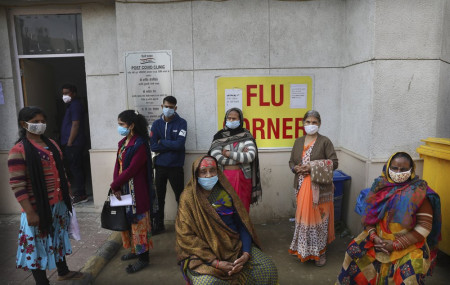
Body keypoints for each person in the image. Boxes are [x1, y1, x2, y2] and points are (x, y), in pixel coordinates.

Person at [337, 152, 442, 285]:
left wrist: (395, 244)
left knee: (409, 276)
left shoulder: (419, 192)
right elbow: (368, 219)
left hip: (408, 244)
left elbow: (424, 227)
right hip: (377, 240)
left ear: (411, 171)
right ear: (388, 168)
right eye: (394, 168)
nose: (398, 172)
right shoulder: (379, 187)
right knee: (353, 251)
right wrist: (374, 237)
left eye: (403, 170)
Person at [8, 106, 83, 284]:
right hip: (37, 207)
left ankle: (63, 271)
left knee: (58, 237)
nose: (40, 125)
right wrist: (30, 212)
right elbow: (17, 184)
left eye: (42, 121)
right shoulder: (18, 150)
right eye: (35, 122)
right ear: (23, 124)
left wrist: (68, 193)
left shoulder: (52, 144)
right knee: (36, 245)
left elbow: (61, 171)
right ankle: (42, 281)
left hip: (58, 203)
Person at [175, 155, 278, 284]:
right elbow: (186, 236)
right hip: (203, 254)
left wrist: (246, 254)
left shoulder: (226, 192)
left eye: (212, 170)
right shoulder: (188, 198)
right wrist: (215, 263)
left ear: (217, 171)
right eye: (203, 172)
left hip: (234, 248)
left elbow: (242, 224)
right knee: (208, 283)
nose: (208, 175)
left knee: (268, 268)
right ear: (196, 175)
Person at [288, 110, 338, 267]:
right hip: (301, 185)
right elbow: (291, 161)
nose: (311, 125)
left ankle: (320, 253)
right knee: (304, 220)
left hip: (320, 189)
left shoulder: (325, 141)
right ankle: (305, 250)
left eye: (314, 122)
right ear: (303, 124)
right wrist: (296, 169)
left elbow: (334, 162)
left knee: (319, 221)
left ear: (319, 124)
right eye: (308, 122)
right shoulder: (298, 141)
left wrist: (311, 167)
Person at [110, 110, 157, 273]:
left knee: (139, 223)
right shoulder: (123, 142)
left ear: (132, 125)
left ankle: (144, 257)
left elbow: (132, 169)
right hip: (122, 189)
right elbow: (118, 165)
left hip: (137, 190)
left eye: (122, 124)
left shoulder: (141, 143)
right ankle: (134, 250)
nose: (120, 127)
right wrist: (115, 186)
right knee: (127, 221)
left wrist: (115, 183)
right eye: (119, 124)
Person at [209, 108, 262, 212]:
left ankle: (242, 228)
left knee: (242, 208)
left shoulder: (246, 135)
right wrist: (239, 157)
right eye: (229, 118)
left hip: (243, 177)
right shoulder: (219, 136)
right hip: (224, 177)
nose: (231, 120)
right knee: (225, 208)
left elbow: (251, 156)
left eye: (234, 118)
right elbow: (215, 156)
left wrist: (229, 153)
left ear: (240, 120)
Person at [150, 95, 187, 234]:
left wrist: (162, 142)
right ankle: (159, 225)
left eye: (171, 107)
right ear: (162, 106)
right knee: (160, 197)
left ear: (175, 108)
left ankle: (183, 225)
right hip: (160, 166)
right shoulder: (156, 124)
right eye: (166, 106)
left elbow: (179, 145)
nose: (168, 109)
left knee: (180, 197)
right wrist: (166, 144)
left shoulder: (182, 123)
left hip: (176, 167)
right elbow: (153, 146)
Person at [60, 83, 87, 205]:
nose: (64, 95)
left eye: (67, 93)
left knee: (76, 168)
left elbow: (75, 124)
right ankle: (80, 192)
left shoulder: (75, 105)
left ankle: (81, 194)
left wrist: (70, 142)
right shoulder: (70, 106)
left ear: (74, 93)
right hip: (71, 143)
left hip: (74, 144)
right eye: (63, 93)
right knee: (75, 168)